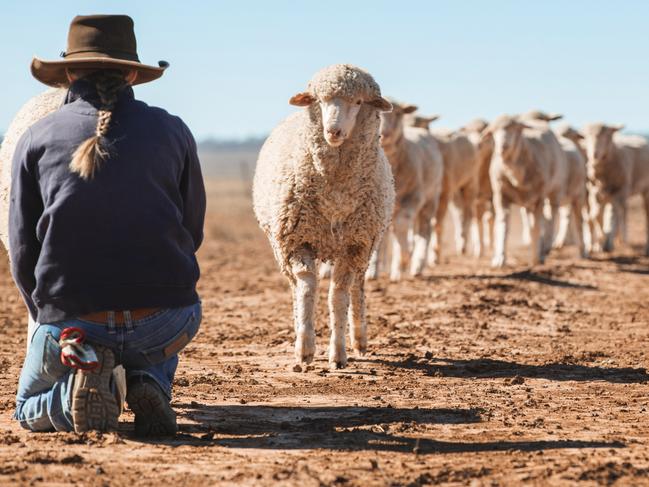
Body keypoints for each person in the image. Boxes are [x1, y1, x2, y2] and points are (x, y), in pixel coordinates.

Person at [10, 14, 206, 436]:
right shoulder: (173, 130)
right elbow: (192, 232)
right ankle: (147, 379)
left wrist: (51, 320)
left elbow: (22, 251)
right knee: (169, 303)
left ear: (67, 74)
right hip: (166, 323)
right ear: (133, 73)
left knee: (25, 409)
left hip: (75, 323)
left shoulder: (36, 136)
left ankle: (86, 394)